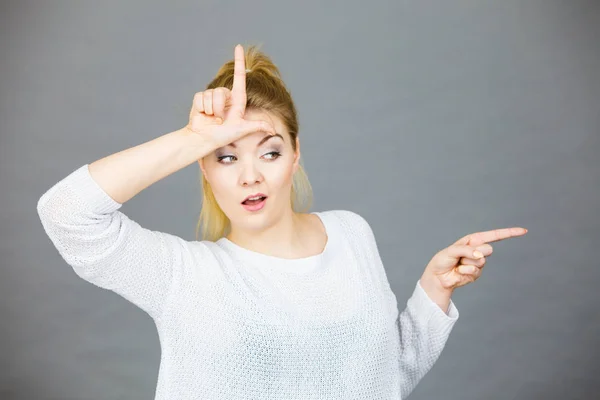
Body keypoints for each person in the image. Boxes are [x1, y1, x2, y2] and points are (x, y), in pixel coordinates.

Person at [36, 44, 527, 400]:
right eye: (226, 158)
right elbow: (66, 212)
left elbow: (382, 380)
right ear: (205, 171)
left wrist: (433, 291)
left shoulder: (352, 233)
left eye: (269, 152)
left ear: (295, 157)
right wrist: (193, 138)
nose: (251, 176)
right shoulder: (182, 275)